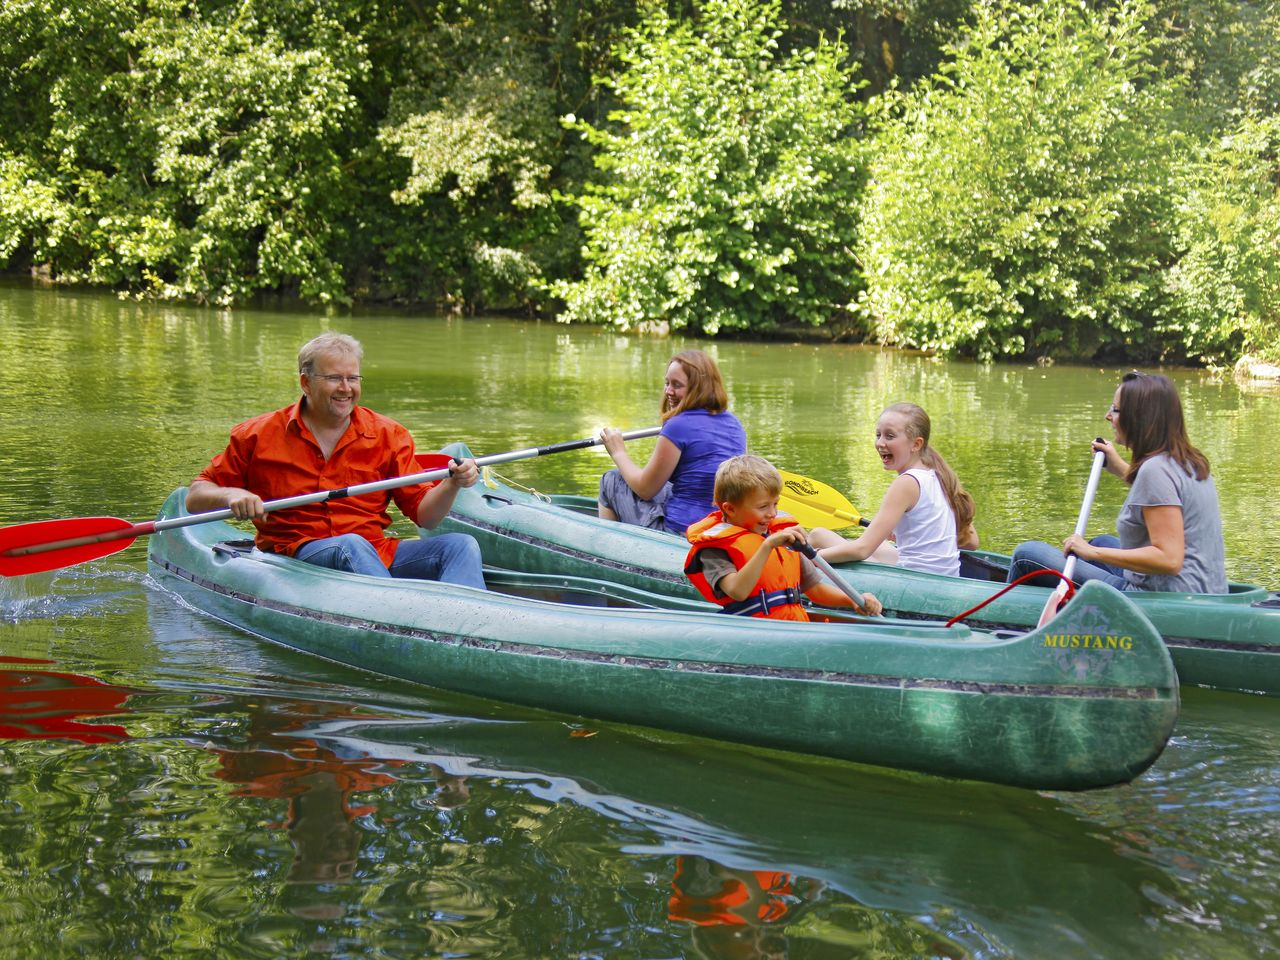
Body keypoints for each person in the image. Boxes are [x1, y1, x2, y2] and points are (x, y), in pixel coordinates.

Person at [186, 332, 486, 589]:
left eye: (352, 378)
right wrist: (232, 494)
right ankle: (400, 617)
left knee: (460, 546)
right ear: (306, 382)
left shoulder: (389, 434)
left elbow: (426, 517)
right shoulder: (257, 435)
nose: (346, 388)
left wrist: (452, 484)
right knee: (350, 546)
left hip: (373, 554)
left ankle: (472, 630)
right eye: (333, 378)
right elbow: (196, 496)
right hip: (298, 555)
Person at [1006, 372, 1228, 593]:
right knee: (1100, 541)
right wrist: (1121, 468)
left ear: (1138, 417)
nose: (1108, 416)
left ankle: (1007, 619)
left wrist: (1091, 554)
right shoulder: (1189, 461)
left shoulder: (1155, 470)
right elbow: (1162, 499)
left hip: (1164, 599)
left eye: (1115, 409)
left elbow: (1169, 559)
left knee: (1025, 555)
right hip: (1205, 591)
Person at [684, 455, 882, 619]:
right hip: (752, 633)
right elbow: (738, 591)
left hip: (794, 626)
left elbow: (814, 589)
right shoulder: (714, 549)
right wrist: (766, 547)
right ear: (730, 509)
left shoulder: (782, 534)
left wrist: (853, 601)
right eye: (763, 507)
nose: (772, 513)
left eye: (775, 504)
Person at [807, 403, 978, 577]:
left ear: (916, 444)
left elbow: (862, 550)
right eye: (878, 435)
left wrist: (808, 558)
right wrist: (914, 535)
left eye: (890, 436)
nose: (880, 443)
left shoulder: (906, 483)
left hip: (914, 581)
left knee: (817, 535)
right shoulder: (940, 475)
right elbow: (971, 542)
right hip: (945, 578)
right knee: (873, 543)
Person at [598, 349, 747, 536]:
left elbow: (645, 490)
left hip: (680, 531)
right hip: (720, 528)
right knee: (668, 487)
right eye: (667, 383)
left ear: (698, 388)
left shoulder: (678, 426)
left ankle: (609, 552)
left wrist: (618, 451)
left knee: (611, 479)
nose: (668, 391)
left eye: (677, 385)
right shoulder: (734, 423)